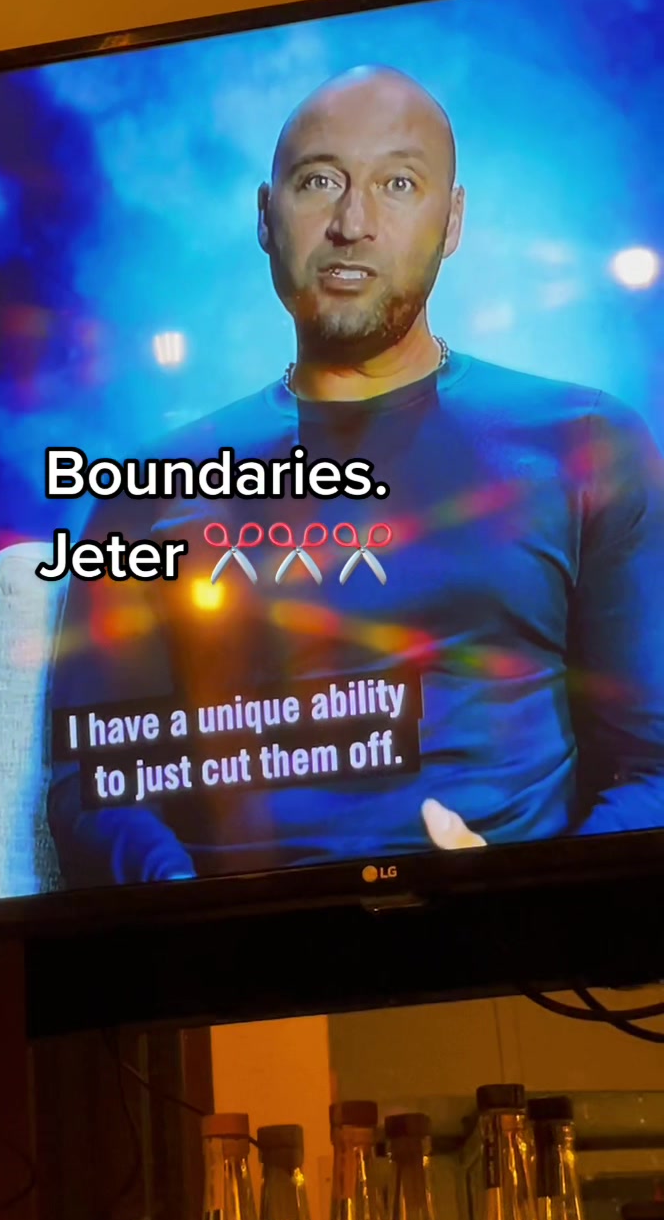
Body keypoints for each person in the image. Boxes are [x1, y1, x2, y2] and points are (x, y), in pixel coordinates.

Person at [48, 65, 664, 888]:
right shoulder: (149, 485)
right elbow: (93, 785)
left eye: (397, 184)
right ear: (265, 217)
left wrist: (531, 898)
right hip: (235, 944)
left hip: (508, 935)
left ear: (453, 220)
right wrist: (186, 906)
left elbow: (654, 765)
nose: (352, 223)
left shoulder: (586, 441)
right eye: (319, 181)